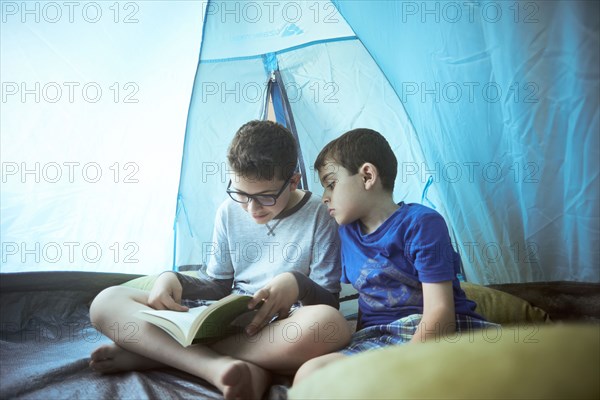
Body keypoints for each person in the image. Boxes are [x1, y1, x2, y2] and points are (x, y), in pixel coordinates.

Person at [89, 120, 351, 400]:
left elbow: (329, 302)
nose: (252, 208)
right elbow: (217, 286)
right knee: (106, 302)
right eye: (241, 194)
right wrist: (173, 279)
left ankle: (158, 354)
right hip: (230, 320)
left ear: (293, 181)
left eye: (265, 196)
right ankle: (216, 366)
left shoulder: (320, 215)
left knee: (329, 324)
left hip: (281, 328)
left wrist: (298, 284)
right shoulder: (228, 211)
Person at [293, 128, 497, 383]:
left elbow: (440, 312)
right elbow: (368, 303)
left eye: (331, 185)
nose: (324, 198)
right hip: (378, 337)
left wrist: (403, 368)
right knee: (309, 374)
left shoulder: (421, 223)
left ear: (367, 176)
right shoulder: (345, 234)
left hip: (434, 329)